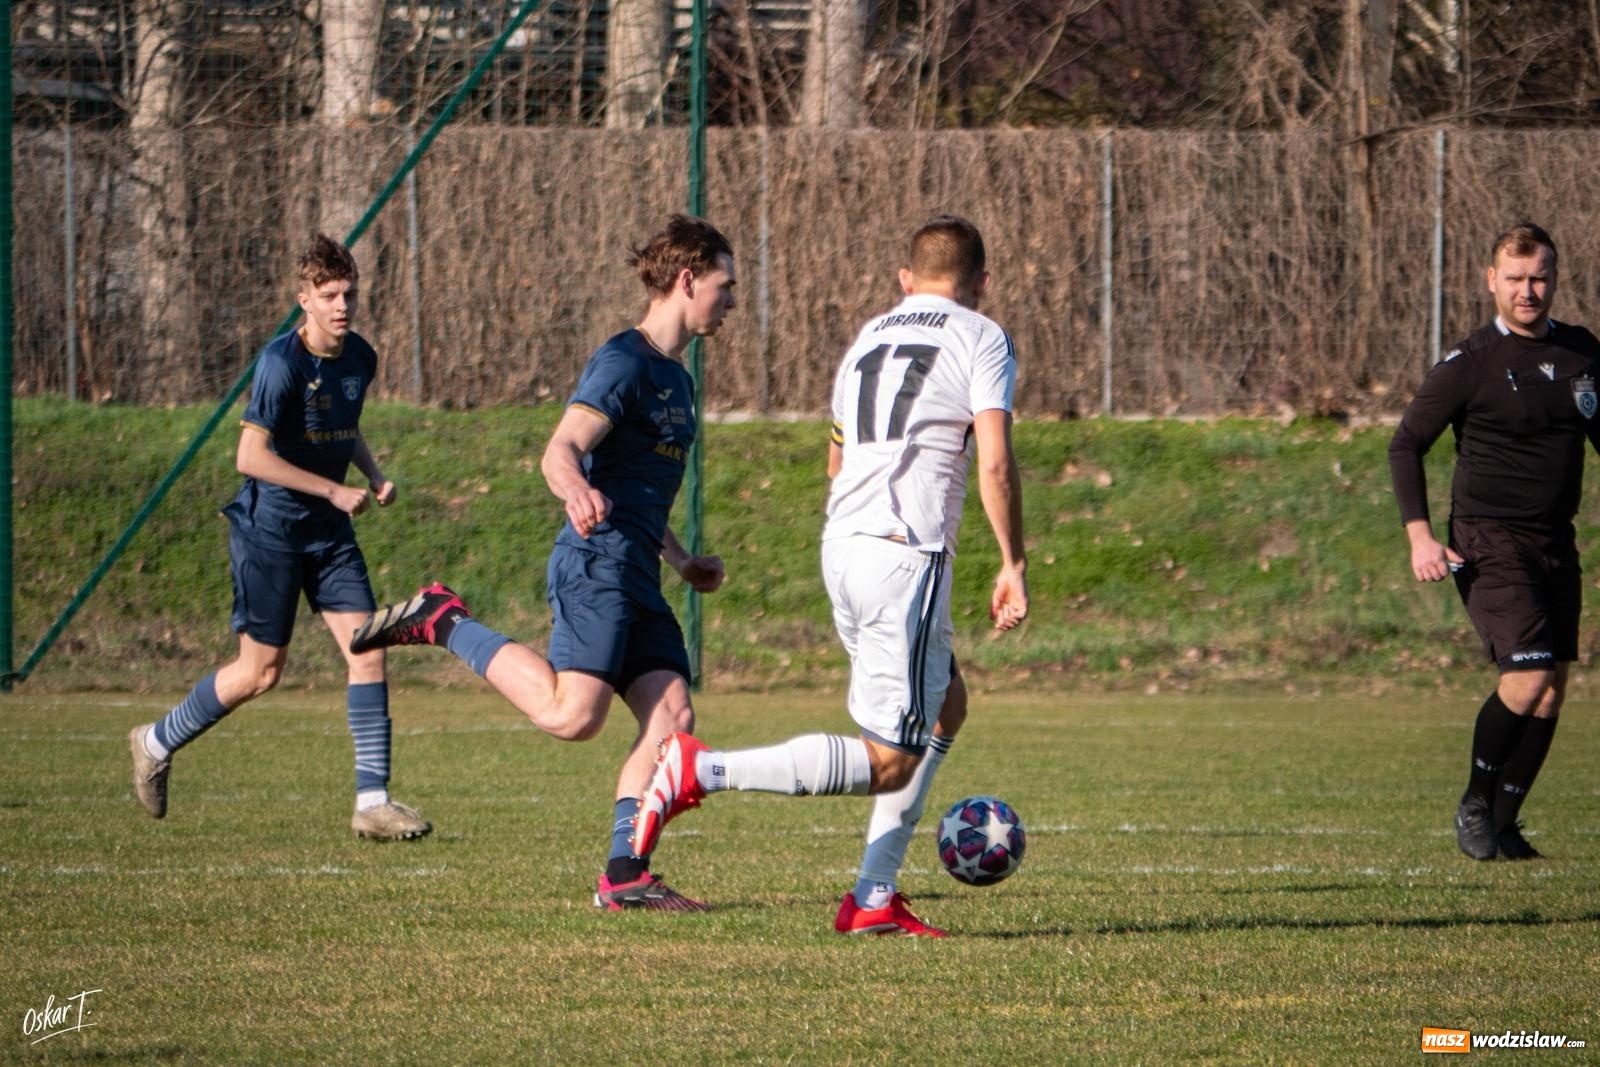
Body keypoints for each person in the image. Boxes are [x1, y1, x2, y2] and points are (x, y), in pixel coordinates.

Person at [632, 214, 1029, 936]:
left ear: (906, 280)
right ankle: (701, 770)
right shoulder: (982, 335)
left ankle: (874, 896)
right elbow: (996, 460)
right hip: (903, 554)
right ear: (981, 284)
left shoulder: (868, 339)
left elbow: (836, 459)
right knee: (890, 759)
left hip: (843, 542)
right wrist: (1014, 563)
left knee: (947, 705)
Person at [349, 214, 736, 910]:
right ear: (688, 279)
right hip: (596, 563)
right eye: (724, 284)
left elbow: (641, 493)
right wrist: (576, 487)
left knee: (672, 721)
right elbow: (559, 450)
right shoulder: (624, 360)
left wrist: (680, 561)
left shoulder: (677, 382)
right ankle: (443, 620)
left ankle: (625, 875)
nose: (732, 299)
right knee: (571, 716)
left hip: (639, 571)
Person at [129, 234, 430, 841]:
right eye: (328, 295)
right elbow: (249, 456)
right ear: (304, 301)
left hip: (330, 534)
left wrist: (370, 475)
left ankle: (372, 802)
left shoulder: (360, 357)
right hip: (270, 534)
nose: (342, 305)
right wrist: (330, 490)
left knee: (367, 647)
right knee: (260, 673)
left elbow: (343, 426)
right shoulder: (279, 364)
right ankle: (155, 740)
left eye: (348, 293)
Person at [1389, 221, 1600, 862]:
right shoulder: (1468, 364)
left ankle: (1505, 825)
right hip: (1487, 540)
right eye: (1515, 278)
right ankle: (1477, 802)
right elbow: (1406, 446)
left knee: (1553, 686)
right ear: (1492, 281)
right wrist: (1420, 537)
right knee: (1527, 674)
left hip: (1553, 542)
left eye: (1539, 277)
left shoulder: (1583, 354)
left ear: (1554, 279)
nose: (1528, 290)